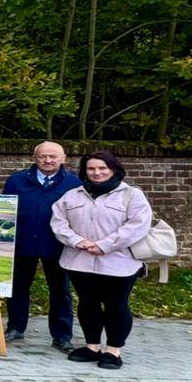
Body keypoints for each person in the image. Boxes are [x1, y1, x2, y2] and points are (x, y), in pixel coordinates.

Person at [51, 151, 154, 370]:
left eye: (102, 168)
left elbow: (137, 225)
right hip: (79, 260)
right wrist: (78, 242)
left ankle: (113, 350)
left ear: (113, 169)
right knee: (88, 304)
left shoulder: (132, 195)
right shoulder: (72, 196)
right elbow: (58, 223)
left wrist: (105, 245)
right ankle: (92, 347)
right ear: (84, 171)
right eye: (91, 168)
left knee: (116, 305)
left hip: (119, 262)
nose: (96, 172)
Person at [2, 141, 79, 350]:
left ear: (63, 159)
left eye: (53, 156)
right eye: (43, 156)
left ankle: (62, 336)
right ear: (34, 158)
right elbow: (5, 210)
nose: (48, 160)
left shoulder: (74, 183)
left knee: (60, 290)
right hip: (23, 242)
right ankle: (15, 327)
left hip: (57, 244)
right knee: (18, 287)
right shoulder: (17, 180)